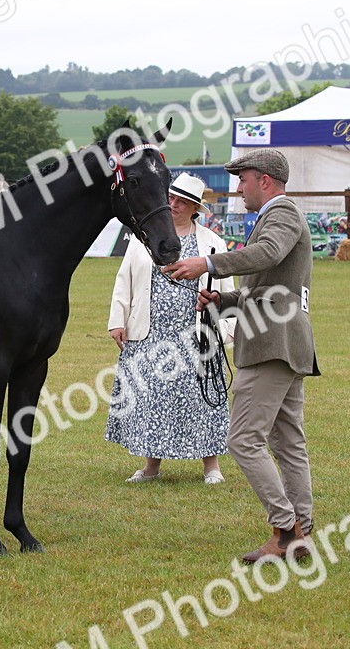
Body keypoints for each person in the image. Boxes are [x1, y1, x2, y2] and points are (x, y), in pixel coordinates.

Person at [162, 149, 319, 563]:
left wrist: (207, 263)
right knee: (287, 443)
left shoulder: (280, 214)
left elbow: (267, 255)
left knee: (243, 440)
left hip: (272, 343)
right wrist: (223, 300)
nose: (238, 187)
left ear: (265, 180)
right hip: (284, 340)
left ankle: (286, 531)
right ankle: (301, 531)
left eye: (243, 179)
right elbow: (273, 288)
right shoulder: (279, 215)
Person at [105, 173, 236, 485]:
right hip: (150, 332)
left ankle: (211, 466)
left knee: (204, 400)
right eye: (171, 198)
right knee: (152, 400)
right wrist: (117, 320)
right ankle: (151, 467)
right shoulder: (143, 237)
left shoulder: (213, 243)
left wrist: (226, 331)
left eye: (182, 201)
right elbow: (124, 281)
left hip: (197, 335)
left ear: (195, 208)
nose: (174, 205)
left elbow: (228, 289)